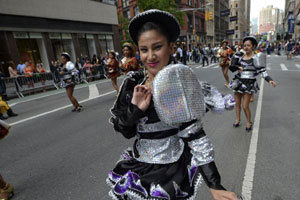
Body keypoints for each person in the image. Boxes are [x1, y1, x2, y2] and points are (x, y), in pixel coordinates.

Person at [107, 9, 239, 200]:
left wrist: (215, 184)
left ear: (171, 47)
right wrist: (135, 109)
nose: (150, 56)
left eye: (157, 47)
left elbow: (196, 137)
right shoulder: (132, 83)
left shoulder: (179, 86)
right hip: (139, 166)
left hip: (170, 170)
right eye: (144, 49)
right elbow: (126, 131)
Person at [229, 36, 277, 131]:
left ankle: (248, 122)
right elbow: (231, 68)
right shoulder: (239, 56)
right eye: (244, 45)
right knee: (237, 104)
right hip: (238, 81)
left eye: (248, 45)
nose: (246, 47)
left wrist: (270, 80)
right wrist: (237, 67)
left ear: (253, 46)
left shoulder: (257, 58)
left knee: (245, 105)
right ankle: (238, 119)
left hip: (249, 82)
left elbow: (262, 71)